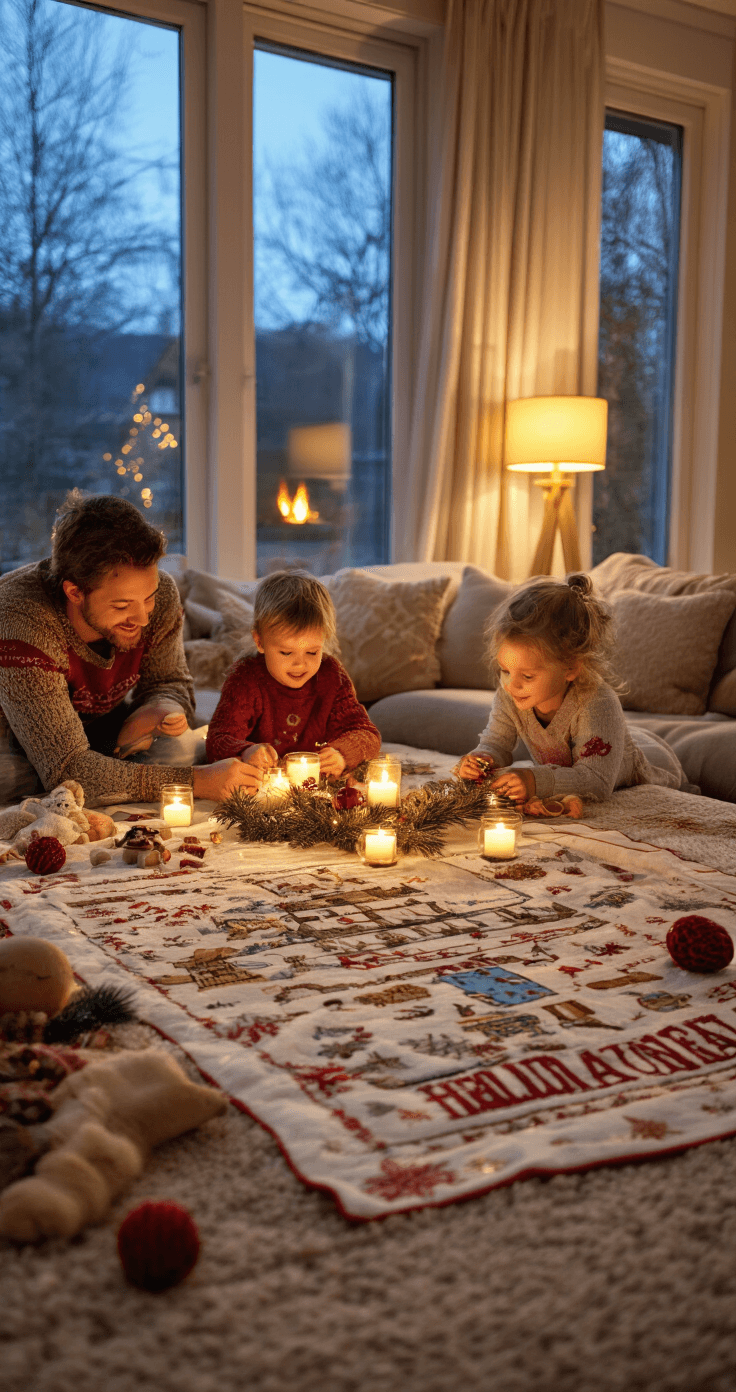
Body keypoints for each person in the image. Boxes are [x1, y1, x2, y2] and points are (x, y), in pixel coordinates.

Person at [0, 492, 261, 806]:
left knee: (181, 747)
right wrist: (197, 782)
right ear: (75, 592)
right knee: (11, 776)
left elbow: (170, 682)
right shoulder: (21, 620)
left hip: (102, 731)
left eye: (147, 598)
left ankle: (101, 781)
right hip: (20, 744)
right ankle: (93, 785)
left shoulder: (162, 593)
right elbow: (67, 766)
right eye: (122, 605)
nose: (142, 617)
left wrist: (158, 710)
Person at [457, 573, 685, 803]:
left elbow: (596, 780)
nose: (511, 685)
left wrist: (535, 781)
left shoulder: (597, 702)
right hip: (609, 739)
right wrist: (482, 760)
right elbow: (495, 743)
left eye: (527, 675)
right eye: (505, 670)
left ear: (571, 667)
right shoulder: (511, 693)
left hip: (651, 764)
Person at [205, 570, 380, 778]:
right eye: (286, 652)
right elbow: (217, 740)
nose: (300, 664)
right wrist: (245, 751)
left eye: (312, 652)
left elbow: (367, 733)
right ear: (260, 641)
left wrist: (341, 754)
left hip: (315, 789)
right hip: (262, 788)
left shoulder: (331, 675)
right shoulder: (246, 678)